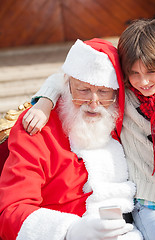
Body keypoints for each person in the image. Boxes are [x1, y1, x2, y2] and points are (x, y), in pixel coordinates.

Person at [21, 19, 155, 240]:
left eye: (151, 71)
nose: (143, 81)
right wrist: (45, 101)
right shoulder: (123, 96)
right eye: (134, 73)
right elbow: (66, 78)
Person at [0, 38, 143, 240]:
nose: (94, 104)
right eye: (83, 90)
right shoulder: (37, 128)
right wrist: (70, 230)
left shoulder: (122, 116)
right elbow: (11, 211)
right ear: (67, 85)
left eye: (103, 91)